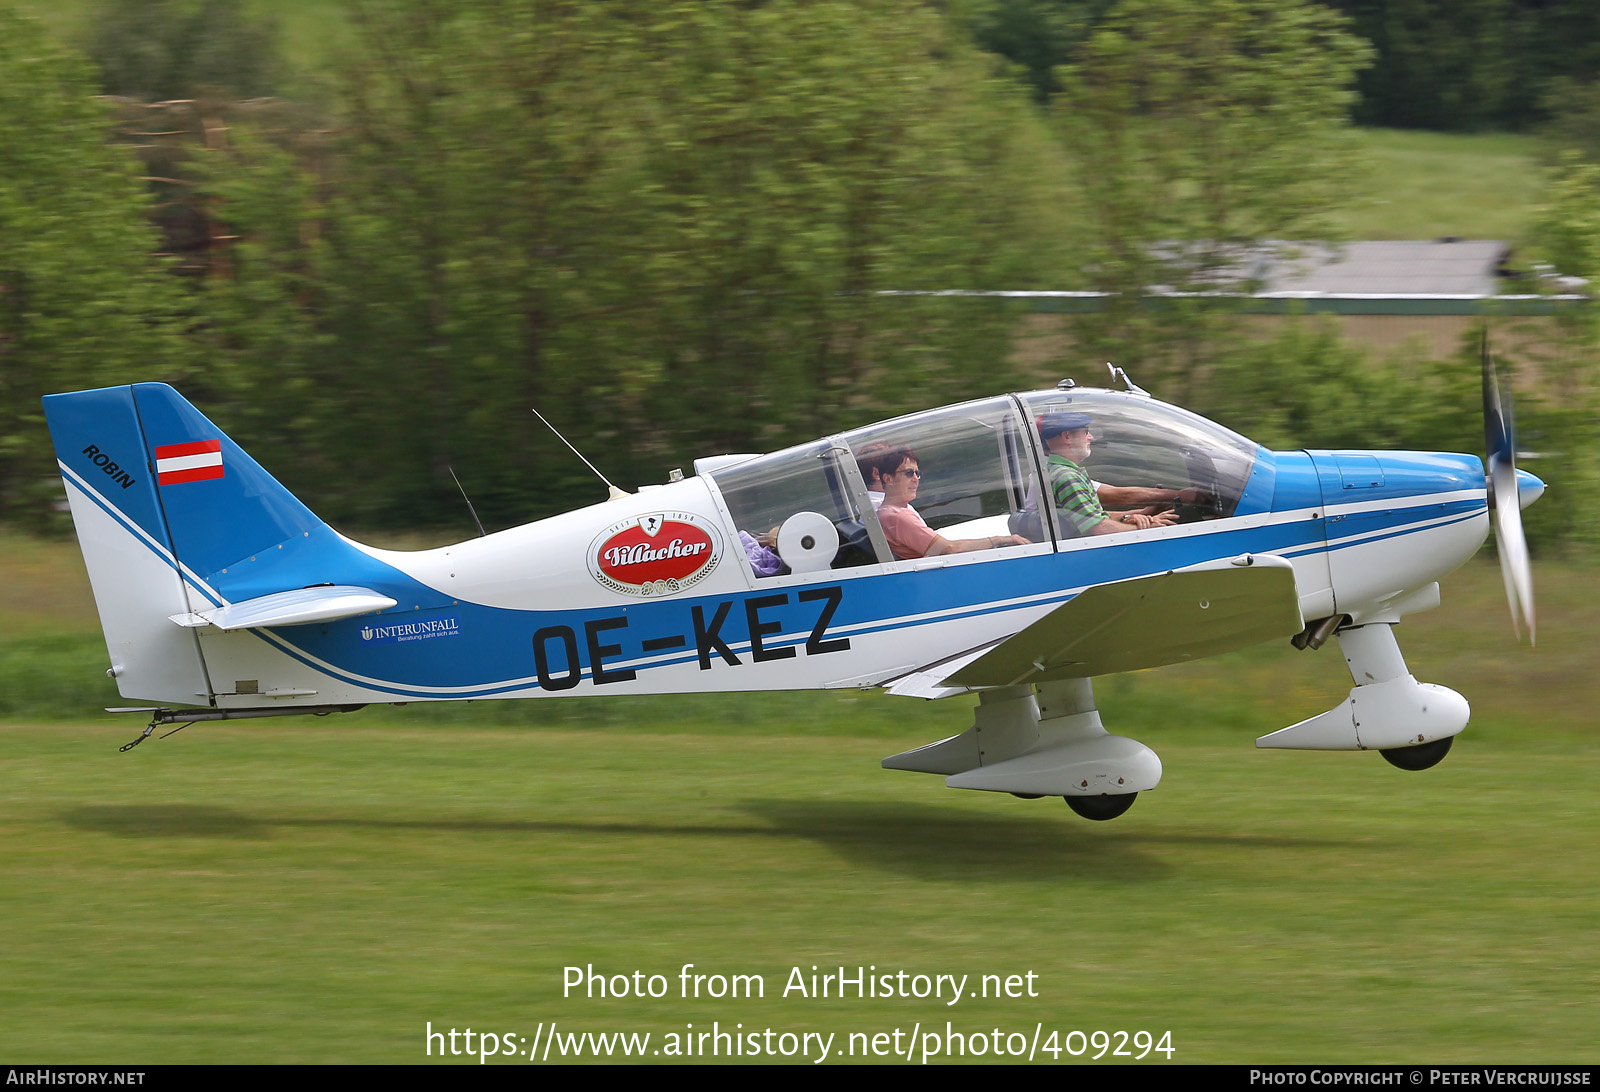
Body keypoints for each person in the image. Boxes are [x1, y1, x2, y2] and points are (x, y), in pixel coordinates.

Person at [869, 446, 1028, 560]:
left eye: (918, 473)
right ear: (888, 479)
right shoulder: (897, 517)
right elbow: (948, 549)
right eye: (909, 473)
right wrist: (1001, 540)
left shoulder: (889, 512)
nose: (916, 478)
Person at [1037, 412, 1181, 537]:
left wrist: (1140, 514)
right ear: (1067, 436)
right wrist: (1148, 527)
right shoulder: (1067, 477)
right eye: (1085, 432)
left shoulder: (1059, 471)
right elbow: (1099, 528)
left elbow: (1093, 518)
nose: (1091, 438)